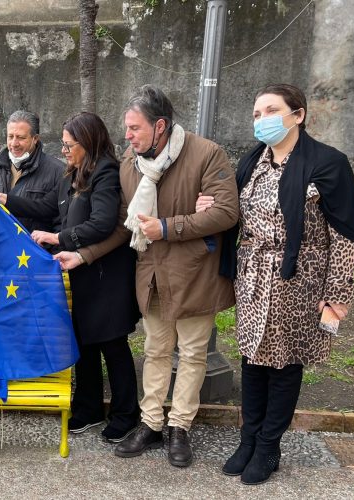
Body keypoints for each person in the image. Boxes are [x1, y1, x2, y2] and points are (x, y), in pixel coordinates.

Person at [55, 85, 239, 467]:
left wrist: (168, 227)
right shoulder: (130, 163)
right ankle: (151, 423)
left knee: (192, 354)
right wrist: (83, 255)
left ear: (160, 126)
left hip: (195, 276)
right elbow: (123, 226)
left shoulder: (206, 154)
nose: (127, 135)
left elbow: (225, 212)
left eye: (134, 128)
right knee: (155, 350)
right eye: (127, 127)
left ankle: (180, 427)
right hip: (152, 276)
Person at [213, 84, 354, 485]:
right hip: (254, 274)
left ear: (298, 115)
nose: (261, 119)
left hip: (299, 279)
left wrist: (336, 295)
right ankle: (248, 440)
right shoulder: (253, 162)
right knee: (253, 357)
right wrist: (211, 208)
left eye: (271, 110)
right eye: (256, 114)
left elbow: (346, 235)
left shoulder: (327, 163)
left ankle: (268, 447)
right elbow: (237, 214)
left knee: (284, 362)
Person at [0, 112, 141, 443]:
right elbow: (46, 207)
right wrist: (2, 198)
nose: (63, 151)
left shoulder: (105, 173)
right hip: (81, 273)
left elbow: (103, 223)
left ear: (87, 143)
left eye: (68, 145)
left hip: (107, 274)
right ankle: (88, 409)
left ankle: (125, 415)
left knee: (112, 344)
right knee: (85, 342)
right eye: (62, 145)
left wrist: (58, 238)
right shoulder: (72, 174)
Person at [0, 110, 65, 232]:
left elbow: (61, 222)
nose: (14, 143)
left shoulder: (58, 171)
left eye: (20, 137)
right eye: (10, 137)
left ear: (35, 139)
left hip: (33, 243)